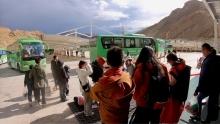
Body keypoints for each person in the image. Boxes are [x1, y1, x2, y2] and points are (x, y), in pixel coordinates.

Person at [89, 47, 135, 124]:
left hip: (108, 119)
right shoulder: (128, 77)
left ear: (108, 62)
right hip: (123, 118)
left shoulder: (104, 82)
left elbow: (93, 95)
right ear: (122, 61)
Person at [131, 46, 169, 124]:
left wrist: (137, 98)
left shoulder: (140, 69)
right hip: (158, 103)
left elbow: (135, 87)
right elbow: (167, 84)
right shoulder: (163, 67)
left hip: (143, 104)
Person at [192, 43, 220, 123]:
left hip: (208, 86)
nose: (202, 52)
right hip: (216, 86)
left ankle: (199, 115)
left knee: (200, 98)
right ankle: (208, 119)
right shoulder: (217, 58)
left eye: (202, 50)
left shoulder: (207, 61)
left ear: (205, 49)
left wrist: (197, 89)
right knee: (212, 103)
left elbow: (203, 77)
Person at [160, 53, 191, 124]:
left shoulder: (174, 69)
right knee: (177, 111)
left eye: (168, 61)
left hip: (175, 94)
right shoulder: (184, 66)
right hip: (182, 94)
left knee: (172, 112)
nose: (168, 63)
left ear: (171, 60)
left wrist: (166, 83)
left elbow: (173, 82)